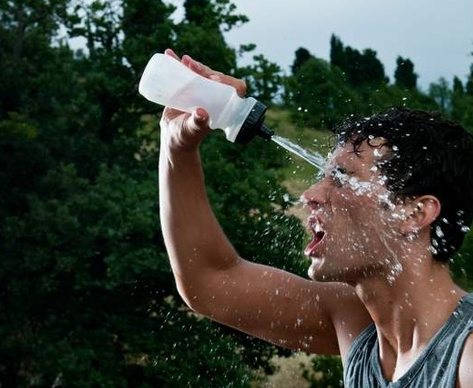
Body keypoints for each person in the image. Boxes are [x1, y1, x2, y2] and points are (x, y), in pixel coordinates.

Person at [158, 48, 473, 388]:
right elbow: (209, 281)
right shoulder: (355, 322)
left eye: (341, 178)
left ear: (414, 213)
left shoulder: (465, 358)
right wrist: (177, 147)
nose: (309, 196)